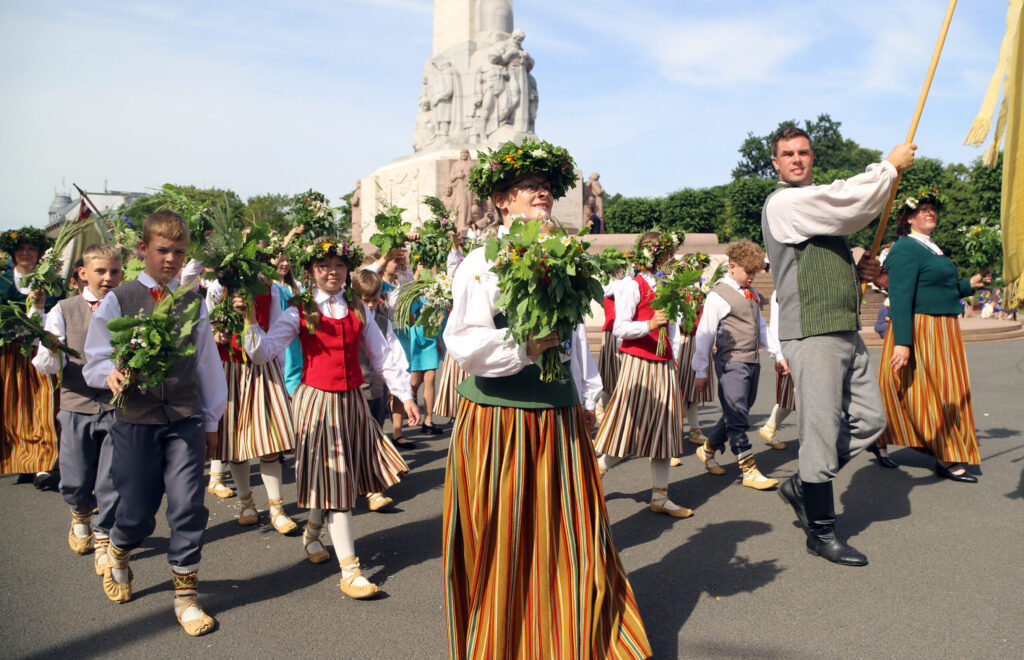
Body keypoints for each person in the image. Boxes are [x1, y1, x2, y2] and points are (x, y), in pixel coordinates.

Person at [443, 139, 651, 658]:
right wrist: (523, 346)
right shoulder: (479, 261)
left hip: (557, 416)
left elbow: (578, 336)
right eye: (528, 186)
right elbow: (463, 343)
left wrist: (586, 395)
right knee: (509, 537)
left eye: (545, 186)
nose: (541, 192)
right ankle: (509, 639)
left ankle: (567, 632)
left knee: (569, 532)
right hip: (501, 423)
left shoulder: (566, 255)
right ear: (503, 200)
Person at [761, 126, 916, 566]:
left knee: (870, 420)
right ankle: (821, 531)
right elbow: (847, 204)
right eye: (787, 154)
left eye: (803, 153)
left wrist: (856, 266)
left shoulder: (810, 207)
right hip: (811, 331)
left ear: (813, 157)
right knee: (820, 433)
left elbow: (828, 234)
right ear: (775, 163)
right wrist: (888, 168)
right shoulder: (785, 201)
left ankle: (800, 486)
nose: (796, 159)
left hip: (843, 328)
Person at [242, 237, 420, 599]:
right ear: (310, 271)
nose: (332, 273)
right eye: (324, 267)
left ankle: (312, 531)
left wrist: (405, 393)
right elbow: (265, 352)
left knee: (341, 477)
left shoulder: (357, 306)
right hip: (317, 403)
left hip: (353, 400)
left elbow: (382, 354)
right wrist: (248, 319)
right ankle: (350, 571)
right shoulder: (298, 309)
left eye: (339, 266)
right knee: (336, 482)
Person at [83, 210, 227, 635]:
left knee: (188, 505)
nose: (170, 259)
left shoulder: (191, 301)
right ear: (143, 249)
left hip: (184, 416)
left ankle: (185, 598)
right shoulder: (119, 298)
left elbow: (206, 363)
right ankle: (121, 549)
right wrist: (108, 373)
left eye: (178, 252)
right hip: (134, 418)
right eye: (162, 250)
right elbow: (95, 357)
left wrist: (213, 420)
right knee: (139, 511)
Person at [876, 189, 989, 481]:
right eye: (923, 209)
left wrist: (971, 283)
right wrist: (902, 343)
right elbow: (900, 296)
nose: (931, 213)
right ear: (909, 218)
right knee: (932, 394)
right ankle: (945, 456)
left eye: (933, 209)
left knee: (944, 391)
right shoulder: (905, 248)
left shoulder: (930, 247)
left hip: (943, 329)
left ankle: (878, 436)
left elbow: (940, 288)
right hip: (922, 328)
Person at [32, 244, 123, 572]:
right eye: (100, 271)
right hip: (76, 404)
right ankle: (80, 513)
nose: (108, 278)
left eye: (114, 271)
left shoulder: (126, 308)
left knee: (113, 477)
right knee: (74, 477)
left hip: (117, 406)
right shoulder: (64, 309)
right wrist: (51, 349)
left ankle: (104, 536)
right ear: (83, 274)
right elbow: (47, 365)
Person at [593, 231, 693, 519]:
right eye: (666, 254)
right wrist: (649, 324)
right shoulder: (630, 286)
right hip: (638, 363)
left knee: (665, 427)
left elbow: (671, 328)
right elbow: (621, 328)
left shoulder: (666, 285)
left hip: (663, 364)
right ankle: (599, 471)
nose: (669, 258)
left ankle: (660, 496)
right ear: (653, 255)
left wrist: (672, 357)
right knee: (628, 424)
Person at [207, 278, 299, 535]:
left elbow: (277, 332)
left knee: (269, 442)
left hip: (261, 366)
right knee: (236, 444)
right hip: (229, 368)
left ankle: (277, 508)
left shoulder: (270, 288)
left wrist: (280, 372)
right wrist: (218, 335)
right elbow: (205, 327)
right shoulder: (218, 286)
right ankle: (246, 502)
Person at [691, 240, 780, 490]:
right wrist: (701, 370)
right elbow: (705, 333)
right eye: (748, 271)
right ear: (732, 267)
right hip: (731, 362)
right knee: (738, 417)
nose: (752, 276)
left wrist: (777, 355)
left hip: (752, 360)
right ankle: (748, 468)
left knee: (738, 412)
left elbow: (761, 327)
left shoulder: (752, 294)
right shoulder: (718, 295)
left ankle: (708, 449)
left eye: (754, 272)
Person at [0, 226, 61, 489]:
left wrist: (39, 310)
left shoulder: (51, 282)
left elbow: (60, 312)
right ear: (13, 254)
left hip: (41, 350)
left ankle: (44, 464)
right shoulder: (3, 280)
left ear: (39, 254)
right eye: (21, 249)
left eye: (31, 249)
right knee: (14, 408)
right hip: (11, 352)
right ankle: (19, 461)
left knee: (44, 406)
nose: (26, 253)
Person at [350, 267, 409, 511]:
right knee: (359, 438)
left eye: (375, 300)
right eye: (366, 301)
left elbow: (392, 352)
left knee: (374, 436)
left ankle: (372, 487)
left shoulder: (382, 321)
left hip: (377, 387)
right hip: (356, 388)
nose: (371, 305)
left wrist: (402, 387)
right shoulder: (351, 320)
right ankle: (363, 486)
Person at [759, 292, 794, 451]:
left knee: (793, 394)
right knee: (793, 393)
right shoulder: (779, 291)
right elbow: (775, 325)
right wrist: (778, 355)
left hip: (800, 346)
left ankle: (770, 427)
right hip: (790, 346)